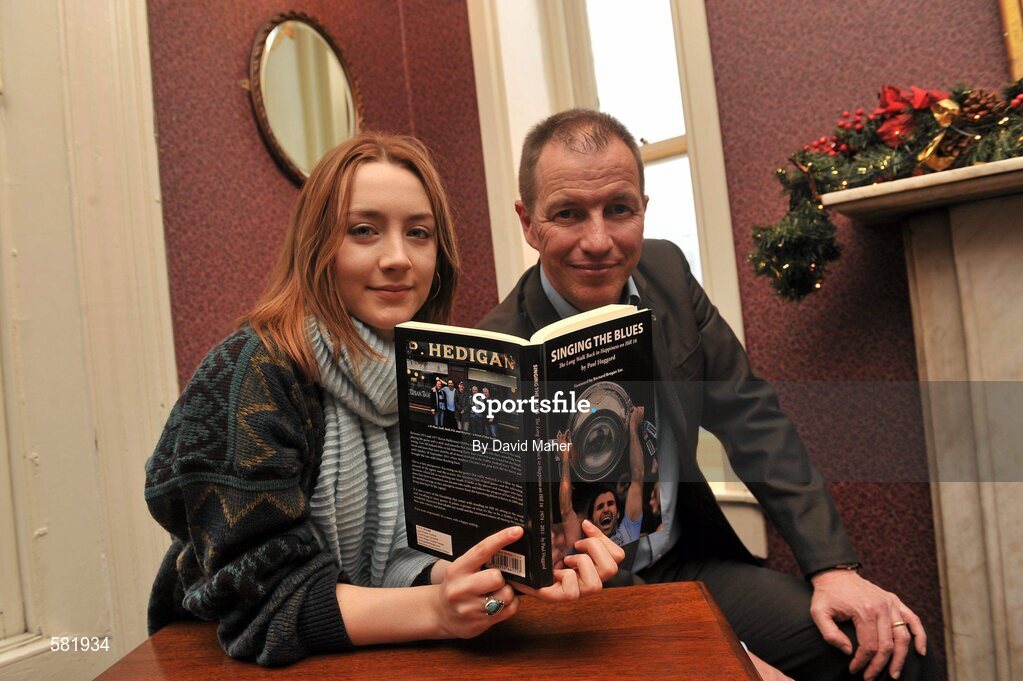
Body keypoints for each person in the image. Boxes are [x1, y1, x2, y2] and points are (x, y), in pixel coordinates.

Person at [477, 110, 936, 681]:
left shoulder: (666, 272)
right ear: (528, 222)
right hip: (589, 604)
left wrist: (833, 567)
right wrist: (719, 650)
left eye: (618, 209)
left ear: (644, 206)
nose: (598, 241)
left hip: (688, 559)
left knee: (894, 655)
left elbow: (752, 416)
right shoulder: (498, 354)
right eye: (569, 214)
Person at [144, 132, 624, 666]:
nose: (398, 258)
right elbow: (265, 605)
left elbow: (421, 552)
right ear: (318, 246)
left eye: (418, 233)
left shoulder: (436, 374)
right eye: (364, 231)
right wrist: (438, 610)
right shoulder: (253, 374)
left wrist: (512, 571)